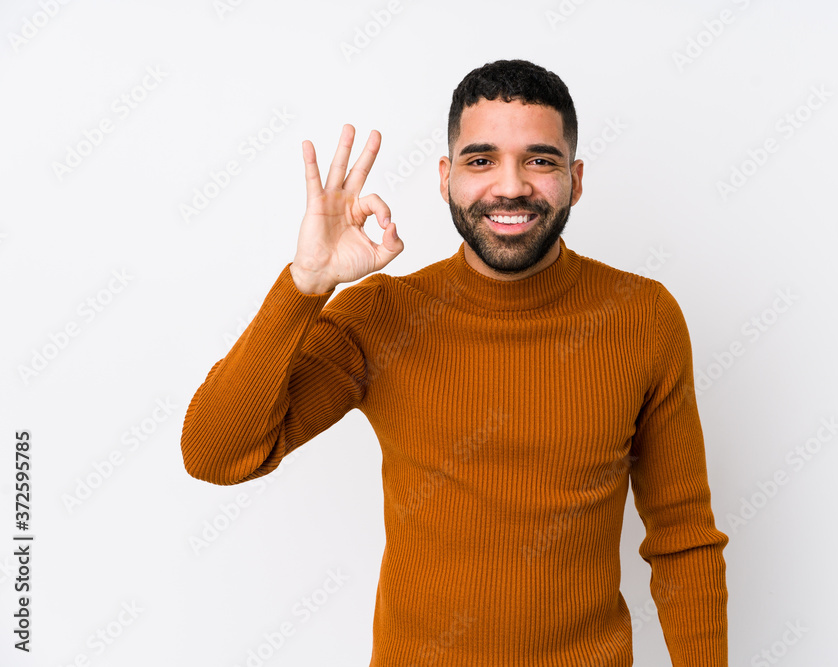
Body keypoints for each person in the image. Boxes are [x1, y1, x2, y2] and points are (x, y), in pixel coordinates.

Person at [180, 58, 729, 666]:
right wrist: (304, 286)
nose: (511, 185)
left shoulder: (643, 317)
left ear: (575, 179)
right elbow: (216, 455)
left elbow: (683, 538)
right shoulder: (383, 316)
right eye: (481, 159)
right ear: (445, 178)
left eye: (540, 160)